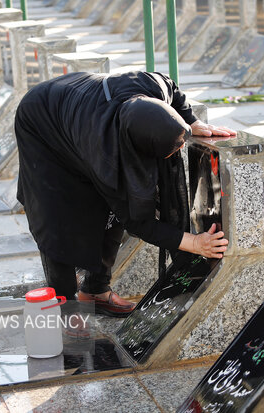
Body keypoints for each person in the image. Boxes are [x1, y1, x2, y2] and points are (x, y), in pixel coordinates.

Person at [14, 71, 235, 317]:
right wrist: (195, 243)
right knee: (56, 217)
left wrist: (192, 123)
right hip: (40, 123)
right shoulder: (107, 157)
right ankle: (64, 306)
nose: (181, 147)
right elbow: (137, 220)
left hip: (77, 109)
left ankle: (96, 291)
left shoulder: (150, 86)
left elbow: (171, 86)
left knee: (111, 209)